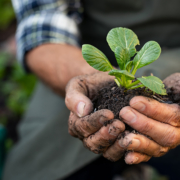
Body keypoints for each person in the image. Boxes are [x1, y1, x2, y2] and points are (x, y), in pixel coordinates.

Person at [3, 0, 180, 179]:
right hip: (79, 62)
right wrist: (92, 78)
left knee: (162, 98)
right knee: (37, 165)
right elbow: (41, 32)